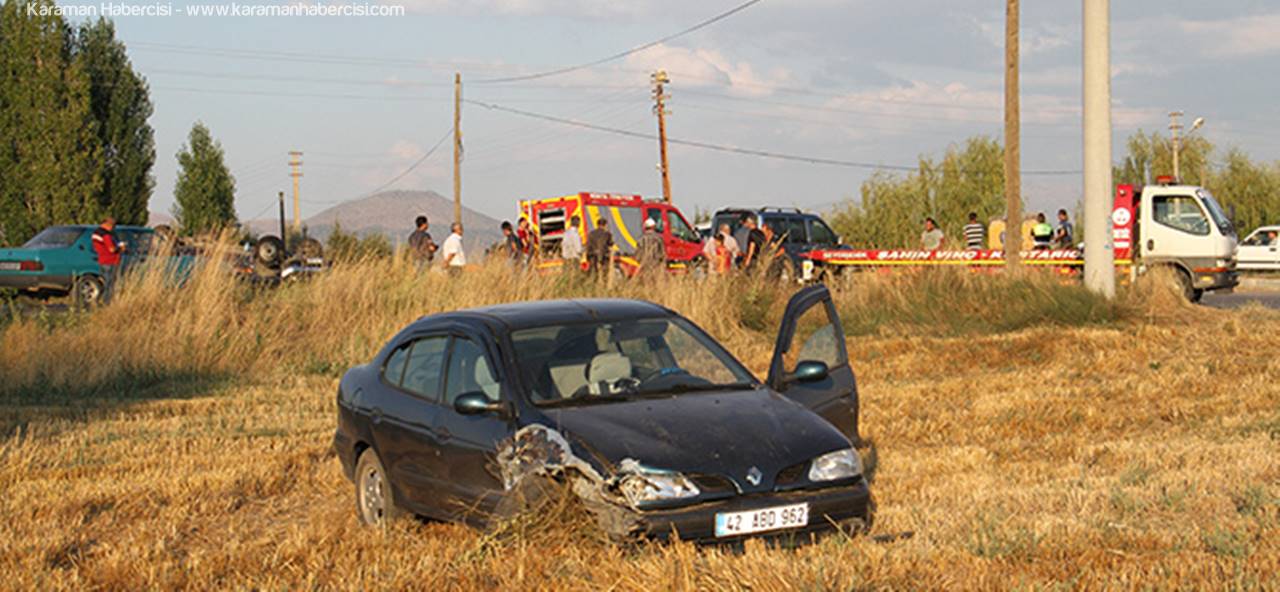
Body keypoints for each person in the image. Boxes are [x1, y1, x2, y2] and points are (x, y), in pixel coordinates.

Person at [91, 216, 125, 303]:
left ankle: (101, 300)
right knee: (110, 284)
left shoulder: (96, 233)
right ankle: (107, 302)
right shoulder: (106, 235)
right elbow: (111, 249)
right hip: (111, 261)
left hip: (102, 260)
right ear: (107, 224)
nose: (113, 228)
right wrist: (120, 248)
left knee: (105, 283)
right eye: (113, 225)